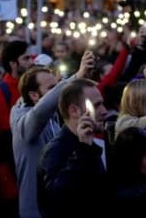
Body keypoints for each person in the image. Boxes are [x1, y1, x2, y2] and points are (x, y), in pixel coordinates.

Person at [11, 51, 93, 218]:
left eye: (57, 86)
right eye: (52, 88)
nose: (58, 94)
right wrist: (76, 76)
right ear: (34, 95)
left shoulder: (53, 118)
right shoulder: (23, 122)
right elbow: (39, 112)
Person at [37, 78, 110, 218]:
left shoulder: (94, 140)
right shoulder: (54, 151)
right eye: (97, 105)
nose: (104, 111)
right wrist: (83, 151)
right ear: (74, 110)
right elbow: (56, 201)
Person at [0, 40, 33, 217]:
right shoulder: (0, 92)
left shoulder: (32, 87)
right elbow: (8, 132)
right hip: (11, 169)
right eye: (26, 58)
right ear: (13, 63)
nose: (31, 62)